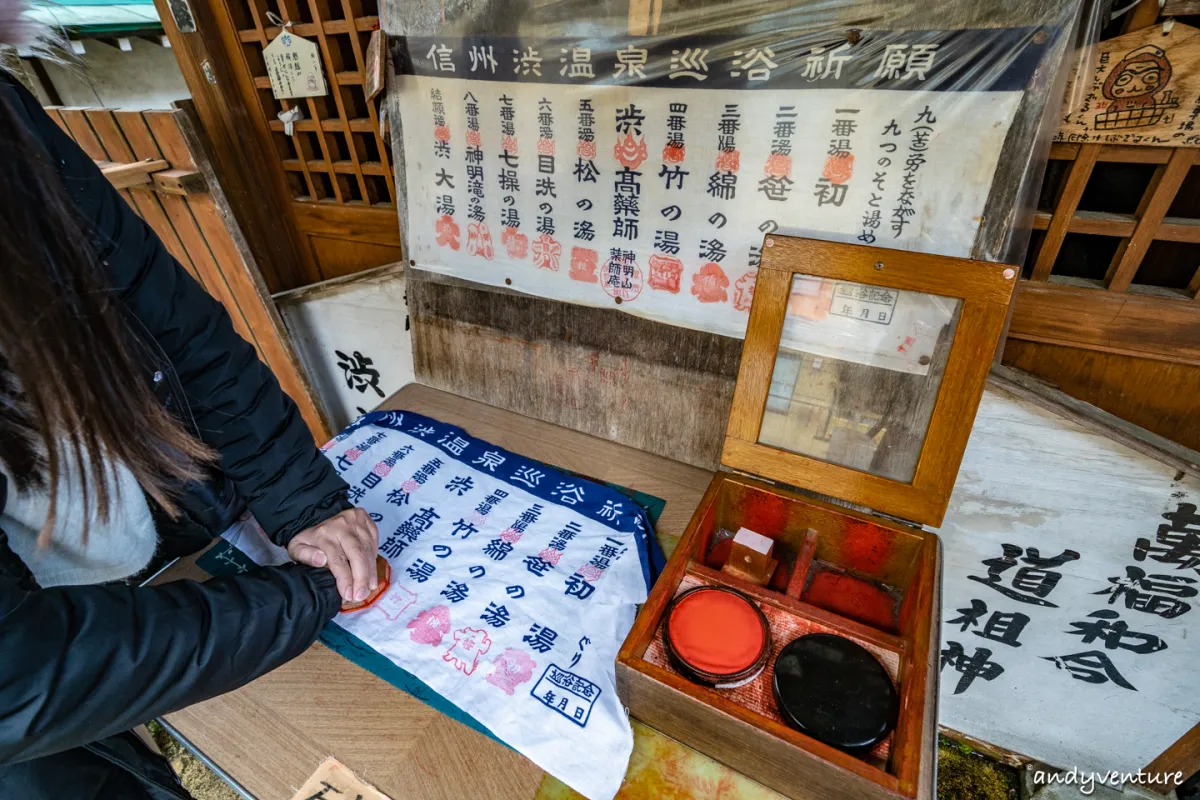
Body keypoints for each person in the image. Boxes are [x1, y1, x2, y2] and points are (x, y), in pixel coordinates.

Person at [0, 24, 379, 800]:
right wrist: (297, 602)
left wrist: (306, 503)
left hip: (150, 532)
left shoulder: (11, 125)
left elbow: (184, 331)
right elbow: (21, 678)